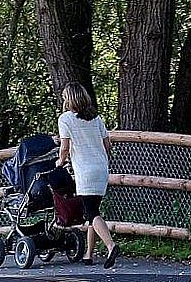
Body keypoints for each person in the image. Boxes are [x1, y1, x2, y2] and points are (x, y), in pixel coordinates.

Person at [55, 82, 120, 269]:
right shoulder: (95, 118)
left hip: (85, 171)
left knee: (91, 212)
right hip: (101, 169)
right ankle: (89, 254)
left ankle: (110, 245)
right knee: (93, 211)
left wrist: (60, 161)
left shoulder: (65, 119)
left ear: (70, 99)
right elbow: (108, 145)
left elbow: (65, 147)